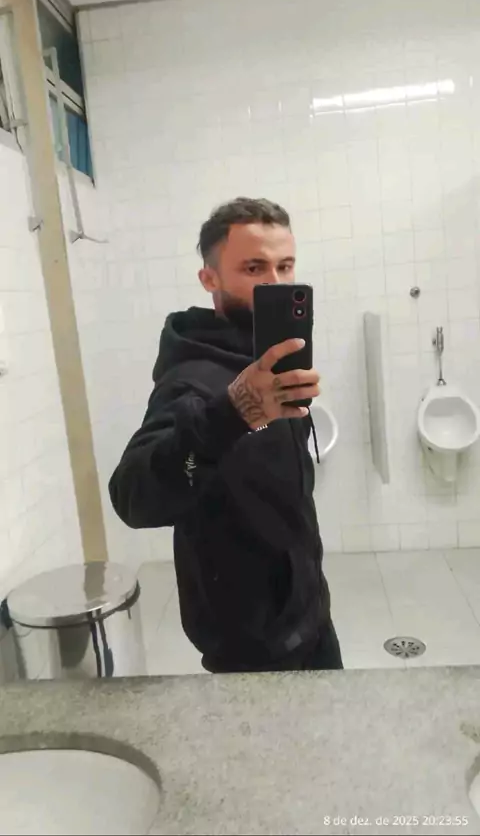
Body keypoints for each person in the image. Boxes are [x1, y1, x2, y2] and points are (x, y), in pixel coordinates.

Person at [109, 197, 342, 673]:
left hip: (309, 614)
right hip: (251, 647)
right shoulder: (190, 378)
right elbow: (132, 496)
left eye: (285, 266)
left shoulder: (267, 361)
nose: (275, 283)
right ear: (209, 279)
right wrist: (231, 413)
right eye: (254, 268)